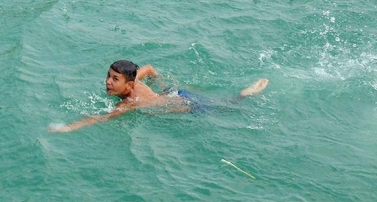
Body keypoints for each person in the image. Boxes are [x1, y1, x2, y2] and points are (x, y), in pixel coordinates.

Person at [48, 60, 269, 132]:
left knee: (227, 106)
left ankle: (246, 93)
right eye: (108, 76)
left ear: (129, 84)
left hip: (188, 105)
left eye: (115, 79)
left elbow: (101, 118)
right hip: (173, 93)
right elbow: (150, 68)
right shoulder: (136, 80)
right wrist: (162, 85)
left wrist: (68, 127)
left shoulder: (129, 103)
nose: (108, 81)